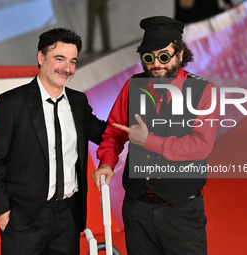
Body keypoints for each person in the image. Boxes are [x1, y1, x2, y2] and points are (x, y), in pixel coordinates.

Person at [92, 16, 218, 254]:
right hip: (137, 209)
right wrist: (106, 163)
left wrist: (148, 141)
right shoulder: (133, 86)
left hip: (181, 211)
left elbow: (201, 145)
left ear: (180, 54)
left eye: (164, 56)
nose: (156, 64)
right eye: (148, 58)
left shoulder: (203, 91)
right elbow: (113, 132)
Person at [0, 28, 106, 255]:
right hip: (24, 220)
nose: (67, 69)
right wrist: (1, 211)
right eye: (59, 59)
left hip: (68, 216)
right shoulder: (12, 103)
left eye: (72, 61)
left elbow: (104, 134)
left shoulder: (78, 103)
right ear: (41, 58)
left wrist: (143, 130)